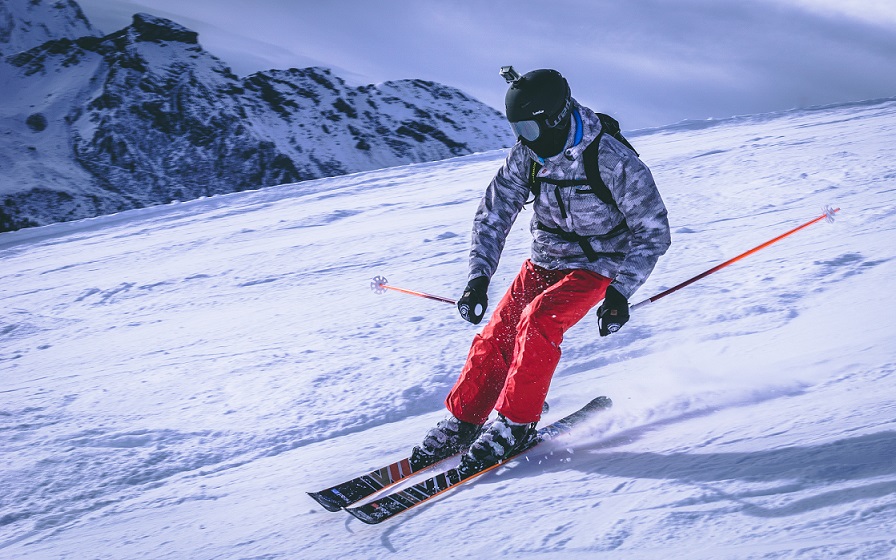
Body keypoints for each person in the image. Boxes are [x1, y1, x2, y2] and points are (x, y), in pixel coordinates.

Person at [410, 67, 671, 476]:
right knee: (499, 331)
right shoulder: (528, 155)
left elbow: (653, 230)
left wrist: (620, 293)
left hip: (600, 263)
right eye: (518, 129)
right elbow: (494, 213)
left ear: (554, 118)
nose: (525, 138)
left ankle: (515, 424)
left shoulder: (612, 160)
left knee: (538, 321)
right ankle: (466, 421)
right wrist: (478, 278)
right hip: (546, 258)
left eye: (530, 128)